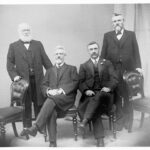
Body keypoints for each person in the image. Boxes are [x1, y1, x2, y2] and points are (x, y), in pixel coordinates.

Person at [21, 46, 79, 147]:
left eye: (61, 53)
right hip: (53, 100)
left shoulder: (72, 68)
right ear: (54, 56)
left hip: (66, 98)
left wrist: (61, 90)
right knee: (51, 112)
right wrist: (49, 91)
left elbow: (75, 83)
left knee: (50, 99)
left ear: (65, 55)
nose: (58, 56)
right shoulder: (49, 70)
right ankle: (53, 143)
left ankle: (35, 127)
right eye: (56, 54)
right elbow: (43, 85)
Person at [7, 23, 52, 135]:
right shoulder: (13, 46)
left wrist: (52, 76)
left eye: (27, 30)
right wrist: (15, 76)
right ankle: (27, 127)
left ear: (30, 31)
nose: (26, 32)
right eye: (23, 30)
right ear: (19, 32)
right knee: (25, 104)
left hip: (38, 80)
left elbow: (46, 61)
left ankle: (39, 126)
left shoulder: (38, 44)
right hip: (23, 81)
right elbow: (9, 64)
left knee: (39, 103)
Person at [101, 13, 142, 131]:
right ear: (112, 23)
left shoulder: (131, 34)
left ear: (123, 21)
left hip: (129, 70)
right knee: (117, 97)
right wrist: (102, 68)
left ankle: (128, 122)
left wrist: (138, 66)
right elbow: (103, 53)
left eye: (119, 20)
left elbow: (136, 51)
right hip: (113, 71)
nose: (117, 23)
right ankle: (119, 121)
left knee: (128, 96)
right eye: (114, 21)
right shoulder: (107, 35)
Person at [78, 41, 118, 147]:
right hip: (91, 97)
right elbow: (80, 82)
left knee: (99, 95)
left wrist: (108, 88)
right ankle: (100, 139)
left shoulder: (107, 63)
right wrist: (86, 90)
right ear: (88, 51)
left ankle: (84, 122)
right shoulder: (84, 66)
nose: (93, 51)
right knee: (96, 107)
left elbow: (114, 79)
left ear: (98, 50)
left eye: (95, 49)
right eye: (91, 49)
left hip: (106, 96)